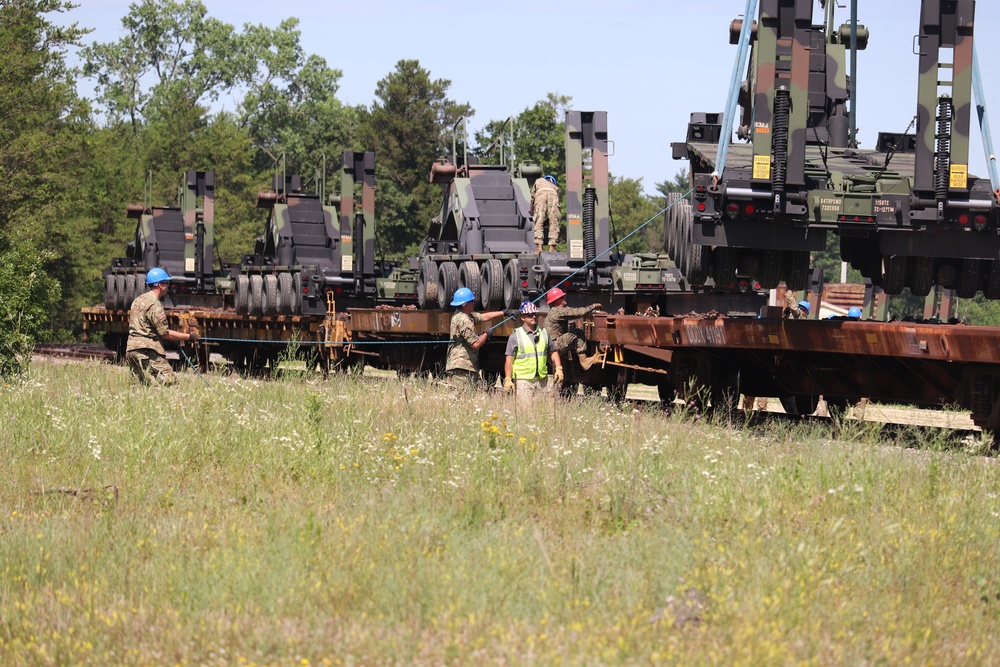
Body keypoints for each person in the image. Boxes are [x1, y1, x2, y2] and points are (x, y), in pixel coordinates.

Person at [125, 267, 200, 386]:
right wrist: (189, 337)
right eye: (167, 283)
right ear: (161, 285)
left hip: (131, 350)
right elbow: (165, 334)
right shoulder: (155, 305)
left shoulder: (138, 300)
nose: (168, 286)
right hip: (146, 351)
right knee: (171, 383)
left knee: (140, 385)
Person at [503, 301, 563, 404]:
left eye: (535, 314)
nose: (533, 317)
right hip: (523, 380)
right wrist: (508, 379)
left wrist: (558, 368)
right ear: (522, 317)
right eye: (530, 315)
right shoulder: (515, 336)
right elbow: (509, 359)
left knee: (540, 409)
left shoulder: (544, 332)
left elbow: (553, 352)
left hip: (541, 379)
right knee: (525, 410)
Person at [445, 287, 504, 385]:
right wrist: (486, 334)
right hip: (462, 366)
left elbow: (483, 317)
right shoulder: (464, 320)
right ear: (466, 304)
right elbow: (475, 344)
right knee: (462, 393)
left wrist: (503, 312)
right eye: (472, 301)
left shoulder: (460, 315)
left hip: (462, 365)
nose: (474, 303)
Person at [544, 287, 603, 370]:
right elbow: (578, 312)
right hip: (554, 346)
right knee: (578, 332)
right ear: (556, 301)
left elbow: (572, 311)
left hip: (552, 347)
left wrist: (593, 312)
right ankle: (584, 360)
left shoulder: (556, 311)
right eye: (562, 297)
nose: (565, 298)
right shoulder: (557, 311)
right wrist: (593, 306)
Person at [531, 174, 561, 253]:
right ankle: (552, 248)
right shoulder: (555, 188)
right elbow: (558, 207)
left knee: (539, 219)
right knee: (554, 221)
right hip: (553, 194)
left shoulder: (539, 181)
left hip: (540, 194)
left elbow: (532, 197)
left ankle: (539, 247)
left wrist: (532, 211)